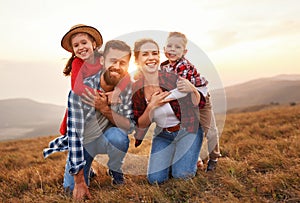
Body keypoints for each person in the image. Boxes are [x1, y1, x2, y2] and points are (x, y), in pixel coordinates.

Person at [43, 40, 134, 200]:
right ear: (102, 61)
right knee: (69, 189)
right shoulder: (80, 91)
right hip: (84, 142)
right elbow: (75, 137)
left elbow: (129, 126)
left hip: (107, 138)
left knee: (119, 137)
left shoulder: (125, 89)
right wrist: (79, 182)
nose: (117, 67)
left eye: (123, 63)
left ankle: (114, 168)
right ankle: (87, 170)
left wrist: (104, 108)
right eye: (113, 61)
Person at [132, 38, 206, 184]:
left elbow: (200, 103)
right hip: (163, 135)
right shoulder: (136, 89)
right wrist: (151, 106)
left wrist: (193, 89)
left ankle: (189, 156)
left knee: (181, 175)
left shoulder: (171, 77)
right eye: (145, 54)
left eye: (154, 53)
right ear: (137, 60)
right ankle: (178, 156)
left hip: (188, 130)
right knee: (155, 180)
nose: (151, 57)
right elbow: (141, 124)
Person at [160, 31, 221, 172]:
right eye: (169, 46)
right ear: (164, 49)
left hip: (201, 100)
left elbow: (181, 89)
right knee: (186, 129)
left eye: (177, 47)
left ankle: (214, 157)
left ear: (184, 51)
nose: (172, 49)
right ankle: (194, 157)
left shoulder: (183, 66)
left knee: (210, 130)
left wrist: (164, 98)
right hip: (184, 103)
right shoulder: (164, 67)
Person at [59, 24, 130, 135]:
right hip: (84, 101)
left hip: (101, 103)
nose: (81, 47)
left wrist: (117, 91)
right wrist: (102, 95)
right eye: (76, 45)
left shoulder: (102, 59)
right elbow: (77, 88)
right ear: (73, 50)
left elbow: (126, 76)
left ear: (93, 44)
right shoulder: (77, 63)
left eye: (84, 43)